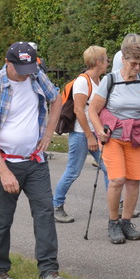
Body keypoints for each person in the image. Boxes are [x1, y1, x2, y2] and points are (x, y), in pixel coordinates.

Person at [0, 41, 68, 279]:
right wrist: (4, 172)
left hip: (35, 161)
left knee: (45, 213)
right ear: (7, 62)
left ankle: (49, 270)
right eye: (19, 68)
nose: (25, 74)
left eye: (29, 68)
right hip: (5, 162)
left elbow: (56, 99)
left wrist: (49, 132)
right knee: (2, 218)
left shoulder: (36, 76)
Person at [88, 43, 140, 245]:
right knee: (117, 179)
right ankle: (113, 223)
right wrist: (99, 130)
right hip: (113, 137)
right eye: (133, 63)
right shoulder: (110, 80)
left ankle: (126, 222)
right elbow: (92, 110)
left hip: (136, 137)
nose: (137, 68)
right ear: (124, 60)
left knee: (134, 181)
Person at [52, 46, 110, 223]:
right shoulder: (83, 81)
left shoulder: (99, 80)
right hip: (81, 134)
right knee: (73, 172)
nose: (108, 62)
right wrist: (89, 136)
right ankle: (56, 206)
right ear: (98, 62)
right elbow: (78, 110)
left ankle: (117, 205)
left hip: (95, 133)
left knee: (109, 169)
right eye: (106, 59)